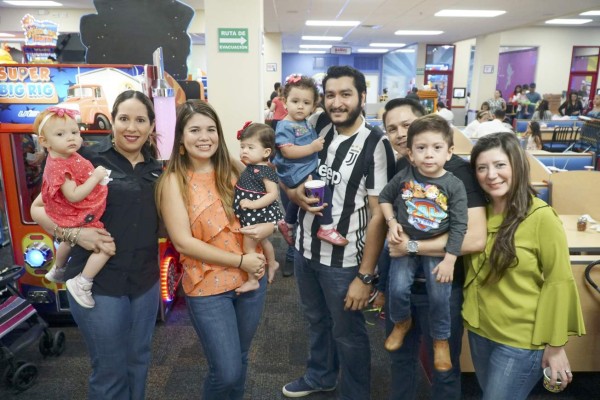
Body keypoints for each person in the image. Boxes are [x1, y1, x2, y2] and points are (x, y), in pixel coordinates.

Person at [31, 90, 162, 399]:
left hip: (144, 278)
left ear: (151, 125)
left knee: (139, 358)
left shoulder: (157, 167)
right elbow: (39, 209)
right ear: (112, 121)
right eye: (124, 119)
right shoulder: (86, 158)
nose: (132, 127)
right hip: (96, 280)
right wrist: (75, 235)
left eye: (140, 120)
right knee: (110, 368)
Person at [281, 65, 395, 399]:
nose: (337, 102)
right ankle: (320, 376)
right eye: (330, 95)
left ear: (362, 97)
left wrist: (366, 276)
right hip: (304, 247)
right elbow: (287, 170)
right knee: (316, 320)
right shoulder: (315, 126)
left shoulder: (376, 144)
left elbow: (378, 215)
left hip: (344, 260)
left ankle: (355, 393)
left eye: (345, 94)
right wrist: (292, 195)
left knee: (348, 333)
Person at [156, 100, 276, 400]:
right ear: (181, 139)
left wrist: (269, 230)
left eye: (211, 129)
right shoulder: (173, 181)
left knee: (241, 358)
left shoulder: (235, 169)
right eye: (194, 130)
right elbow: (184, 243)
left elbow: (269, 208)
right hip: (208, 286)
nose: (204, 136)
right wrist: (240, 260)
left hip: (252, 277)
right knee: (226, 371)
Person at [380, 98, 486, 400]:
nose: (400, 134)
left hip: (440, 284)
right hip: (402, 284)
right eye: (392, 129)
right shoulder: (405, 169)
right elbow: (389, 211)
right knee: (400, 362)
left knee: (443, 370)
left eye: (407, 125)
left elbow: (474, 238)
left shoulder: (457, 175)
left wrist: (411, 247)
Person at [466, 132, 586, 399]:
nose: (491, 175)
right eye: (482, 168)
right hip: (479, 332)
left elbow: (559, 282)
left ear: (516, 166)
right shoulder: (477, 215)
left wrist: (555, 346)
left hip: (521, 340)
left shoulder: (541, 217)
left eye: (499, 165)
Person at [379, 114, 468, 373]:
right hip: (405, 242)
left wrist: (451, 259)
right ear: (410, 153)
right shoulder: (405, 176)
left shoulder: (454, 185)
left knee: (440, 297)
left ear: (449, 152)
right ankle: (401, 322)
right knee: (396, 289)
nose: (429, 155)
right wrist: (392, 221)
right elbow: (385, 198)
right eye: (421, 148)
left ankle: (441, 340)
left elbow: (460, 225)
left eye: (437, 148)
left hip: (438, 250)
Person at [35, 106, 112, 309]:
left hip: (72, 216)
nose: (71, 138)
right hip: (77, 215)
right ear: (44, 141)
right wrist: (95, 177)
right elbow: (73, 195)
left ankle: (58, 269)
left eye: (75, 132)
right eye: (61, 134)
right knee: (106, 248)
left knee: (66, 242)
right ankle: (83, 282)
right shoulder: (60, 165)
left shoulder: (66, 158)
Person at [273, 74, 347, 247]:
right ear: (284, 102)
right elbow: (287, 151)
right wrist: (312, 148)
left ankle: (288, 222)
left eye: (306, 103)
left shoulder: (305, 122)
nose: (300, 107)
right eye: (295, 101)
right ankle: (326, 227)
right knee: (323, 188)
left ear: (314, 107)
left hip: (303, 167)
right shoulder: (285, 125)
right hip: (293, 169)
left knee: (299, 198)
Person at [234, 122, 284, 291]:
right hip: (252, 211)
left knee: (248, 247)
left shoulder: (265, 171)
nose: (244, 151)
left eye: (250, 147)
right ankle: (273, 262)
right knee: (263, 241)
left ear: (266, 152)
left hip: (258, 213)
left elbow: (272, 194)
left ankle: (253, 279)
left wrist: (253, 204)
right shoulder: (252, 167)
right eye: (242, 147)